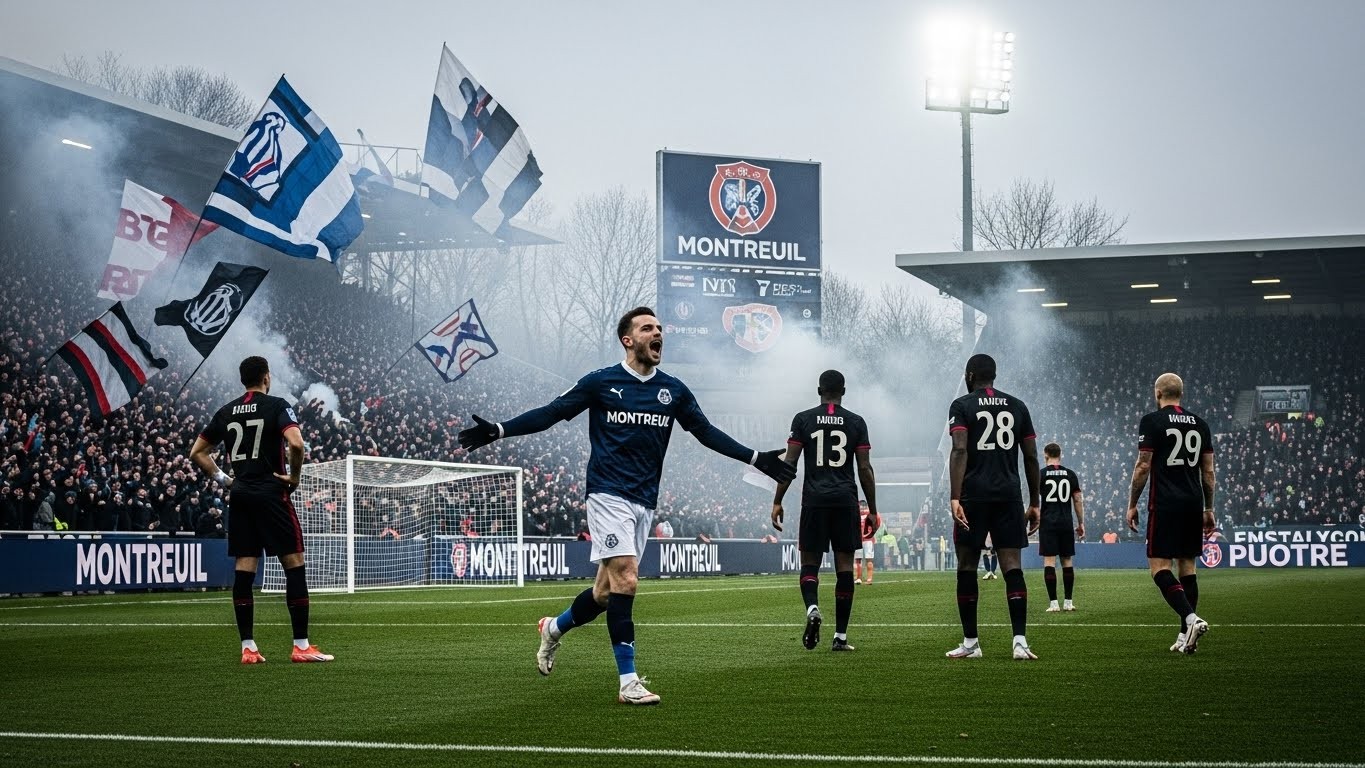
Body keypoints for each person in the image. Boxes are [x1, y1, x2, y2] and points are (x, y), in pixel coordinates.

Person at [457, 307, 795, 705]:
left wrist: (756, 458)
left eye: (660, 329)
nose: (658, 334)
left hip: (643, 500)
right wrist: (499, 430)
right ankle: (628, 682)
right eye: (648, 328)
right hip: (606, 493)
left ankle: (553, 628)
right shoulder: (602, 382)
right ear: (628, 339)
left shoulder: (674, 390)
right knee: (628, 580)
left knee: (604, 594)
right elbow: (552, 412)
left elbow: (705, 432)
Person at [189, 356, 333, 665]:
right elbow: (296, 444)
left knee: (245, 567)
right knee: (293, 562)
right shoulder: (276, 406)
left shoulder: (226, 411)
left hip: (241, 494)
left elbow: (197, 452)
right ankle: (301, 646)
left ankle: (249, 648)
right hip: (270, 492)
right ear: (266, 377)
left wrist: (225, 480)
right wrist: (293, 478)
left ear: (243, 380)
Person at [770, 369, 876, 652]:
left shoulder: (803, 419)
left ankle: (813, 608)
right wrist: (873, 509)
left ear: (819, 391)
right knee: (844, 568)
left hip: (814, 501)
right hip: (845, 500)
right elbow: (864, 468)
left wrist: (777, 500)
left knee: (810, 565)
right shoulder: (856, 422)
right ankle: (840, 637)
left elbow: (789, 463)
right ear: (844, 391)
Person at [944, 354, 1041, 661]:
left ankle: (971, 643)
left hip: (973, 495)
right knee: (1013, 566)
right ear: (994, 376)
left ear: (970, 375)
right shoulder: (1017, 405)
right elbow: (1031, 457)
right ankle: (1020, 642)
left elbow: (960, 449)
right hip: (1009, 495)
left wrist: (954, 496)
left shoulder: (961, 405)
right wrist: (1035, 501)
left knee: (967, 567)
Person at [1126, 372, 1215, 654]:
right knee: (1187, 567)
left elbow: (1143, 466)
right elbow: (1209, 472)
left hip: (1165, 503)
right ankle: (1183, 636)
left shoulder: (1152, 421)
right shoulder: (1200, 424)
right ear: (1181, 394)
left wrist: (1131, 503)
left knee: (1159, 566)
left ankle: (1190, 619)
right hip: (1192, 503)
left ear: (1157, 393)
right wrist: (1209, 508)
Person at [1039, 442, 1085, 612]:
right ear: (1060, 454)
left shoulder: (1041, 474)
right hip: (1066, 522)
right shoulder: (1071, 475)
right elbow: (1078, 500)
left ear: (1046, 455)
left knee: (1049, 561)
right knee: (1067, 561)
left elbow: (1035, 502)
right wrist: (1080, 523)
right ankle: (1068, 602)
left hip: (1048, 522)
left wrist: (1034, 521)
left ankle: (1053, 604)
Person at [854, 499, 880, 585]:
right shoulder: (872, 514)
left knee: (858, 560)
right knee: (869, 559)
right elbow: (878, 523)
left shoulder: (854, 513)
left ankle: (858, 578)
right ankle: (869, 579)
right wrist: (872, 533)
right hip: (868, 540)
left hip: (858, 539)